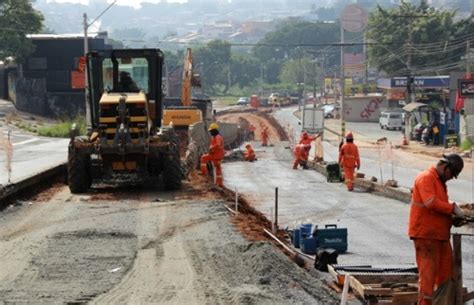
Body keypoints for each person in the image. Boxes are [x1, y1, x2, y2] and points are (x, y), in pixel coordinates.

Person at [408, 153, 465, 305]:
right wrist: (452, 208)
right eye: (452, 173)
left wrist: (452, 218)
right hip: (426, 236)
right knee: (428, 277)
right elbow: (431, 203)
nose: (451, 177)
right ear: (445, 167)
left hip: (440, 236)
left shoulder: (440, 183)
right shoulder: (426, 178)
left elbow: (439, 209)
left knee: (446, 274)